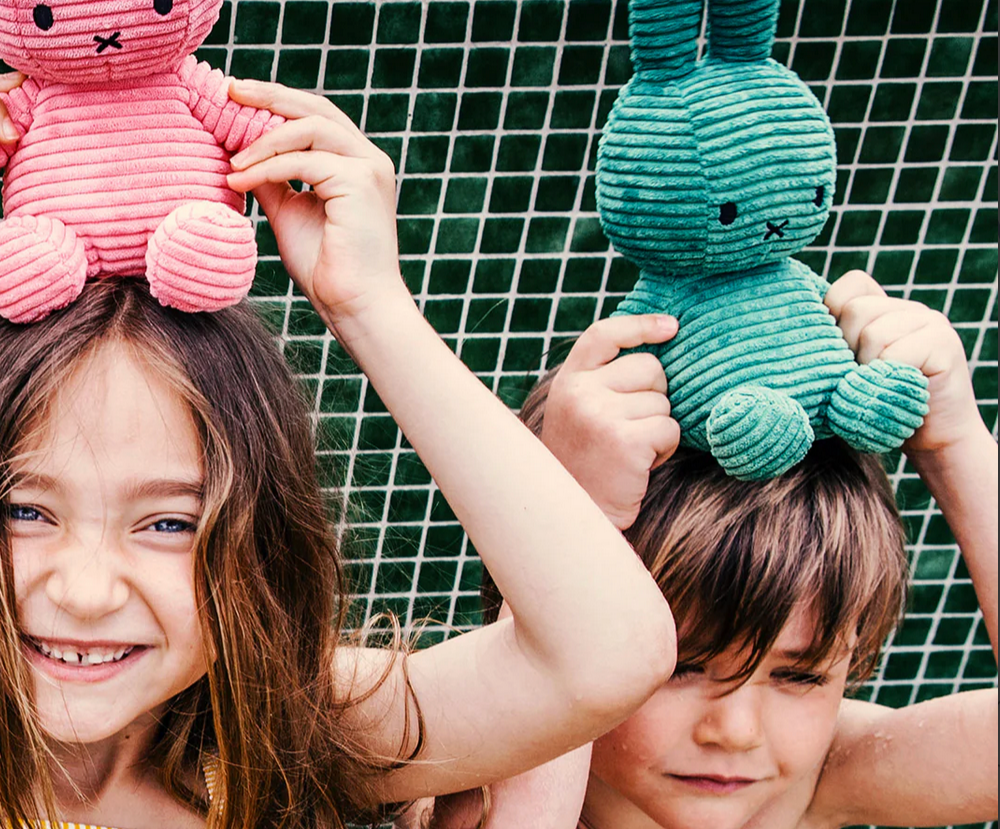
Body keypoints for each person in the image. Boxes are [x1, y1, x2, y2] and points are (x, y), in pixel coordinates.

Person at [0, 73, 678, 829]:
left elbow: (606, 654)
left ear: (260, 541)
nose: (85, 592)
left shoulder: (281, 731)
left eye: (169, 524)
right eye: (25, 511)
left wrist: (372, 308)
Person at [413, 288, 998, 829]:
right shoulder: (463, 784)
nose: (736, 732)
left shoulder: (813, 780)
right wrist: (569, 518)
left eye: (798, 675)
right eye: (680, 666)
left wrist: (956, 445)